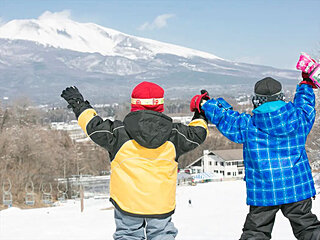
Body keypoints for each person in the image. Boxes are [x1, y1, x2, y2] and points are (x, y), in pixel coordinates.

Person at [61, 81, 208, 240]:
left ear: (134, 104)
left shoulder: (118, 132)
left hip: (127, 203)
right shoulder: (175, 134)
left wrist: (79, 105)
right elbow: (198, 133)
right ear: (160, 105)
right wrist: (200, 112)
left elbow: (92, 126)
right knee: (162, 235)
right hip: (160, 203)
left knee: (128, 235)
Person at [202, 76, 320, 240]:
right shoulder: (298, 119)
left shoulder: (248, 125)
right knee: (308, 228)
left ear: (256, 101)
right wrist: (306, 85)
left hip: (263, 193)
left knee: (256, 233)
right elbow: (305, 105)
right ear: (281, 97)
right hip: (297, 188)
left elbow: (225, 117)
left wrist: (206, 103)